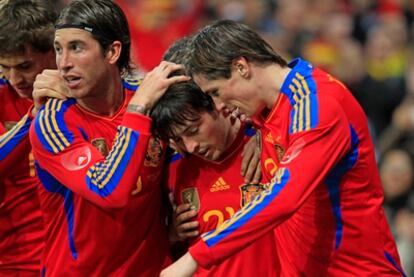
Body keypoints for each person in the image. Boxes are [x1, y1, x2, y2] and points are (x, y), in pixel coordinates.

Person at [161, 20, 405, 276]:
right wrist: (257, 132)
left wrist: (195, 257)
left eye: (216, 92)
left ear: (241, 67)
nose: (219, 106)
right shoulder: (266, 111)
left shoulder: (317, 105)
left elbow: (284, 197)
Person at [28, 0, 188, 275]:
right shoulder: (53, 122)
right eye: (58, 49)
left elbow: (217, 114)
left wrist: (250, 139)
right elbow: (109, 190)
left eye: (76, 47)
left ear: (113, 52)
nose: (63, 64)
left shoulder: (152, 96)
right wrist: (139, 109)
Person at [151, 80, 279, 276]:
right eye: (178, 139)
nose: (190, 146)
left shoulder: (267, 144)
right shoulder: (173, 170)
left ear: (217, 106)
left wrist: (265, 132)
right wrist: (172, 235)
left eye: (193, 131)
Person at [0, 0, 62, 274]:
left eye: (24, 66)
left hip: (76, 258)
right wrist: (35, 118)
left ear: (53, 52)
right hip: (16, 263)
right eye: (4, 67)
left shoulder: (84, 92)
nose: (15, 78)